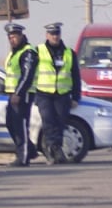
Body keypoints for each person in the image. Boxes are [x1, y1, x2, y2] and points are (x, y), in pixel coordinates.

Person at [34, 22, 81, 165]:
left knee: (60, 123)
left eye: (57, 34)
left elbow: (75, 76)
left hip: (62, 94)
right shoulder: (38, 51)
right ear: (47, 35)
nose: (55, 36)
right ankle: (53, 150)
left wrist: (76, 97)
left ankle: (56, 150)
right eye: (52, 34)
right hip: (44, 93)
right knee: (48, 122)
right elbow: (31, 74)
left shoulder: (69, 53)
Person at [3, 23, 39, 167]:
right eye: (10, 37)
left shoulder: (28, 52)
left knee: (20, 125)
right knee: (10, 123)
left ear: (21, 36)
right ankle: (30, 150)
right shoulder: (14, 52)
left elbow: (27, 75)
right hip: (13, 94)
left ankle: (23, 158)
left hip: (23, 94)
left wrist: (18, 93)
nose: (12, 40)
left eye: (14, 37)